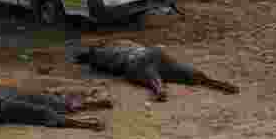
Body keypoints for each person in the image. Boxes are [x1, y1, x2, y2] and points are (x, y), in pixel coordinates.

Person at [75, 43, 238, 102]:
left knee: (151, 75)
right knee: (180, 70)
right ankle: (213, 82)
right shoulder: (118, 47)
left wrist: (89, 57)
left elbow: (94, 58)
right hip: (154, 53)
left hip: (135, 61)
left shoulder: (103, 55)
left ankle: (159, 89)